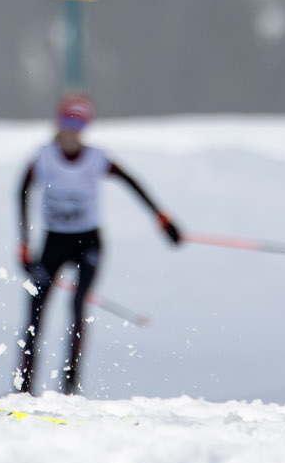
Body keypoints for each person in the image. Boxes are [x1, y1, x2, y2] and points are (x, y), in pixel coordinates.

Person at [13, 91, 181, 396]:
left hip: (87, 242)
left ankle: (70, 386)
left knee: (77, 305)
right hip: (54, 242)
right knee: (35, 310)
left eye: (79, 124)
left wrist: (162, 218)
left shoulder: (96, 158)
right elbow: (22, 193)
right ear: (58, 123)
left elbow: (133, 184)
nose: (72, 130)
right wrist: (24, 243)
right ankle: (24, 388)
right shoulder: (44, 157)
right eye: (67, 122)